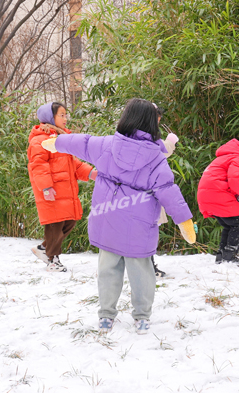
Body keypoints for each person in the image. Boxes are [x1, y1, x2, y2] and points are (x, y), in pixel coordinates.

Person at [41, 98, 196, 335]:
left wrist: (57, 142)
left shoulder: (107, 145)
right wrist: (184, 220)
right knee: (141, 272)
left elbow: (82, 143)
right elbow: (168, 191)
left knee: (108, 270)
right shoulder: (156, 158)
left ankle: (106, 315)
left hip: (107, 222)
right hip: (139, 228)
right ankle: (142, 317)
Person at [27, 102, 96, 272]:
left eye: (66, 115)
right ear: (50, 118)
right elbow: (38, 165)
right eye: (61, 115)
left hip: (65, 191)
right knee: (55, 225)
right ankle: (53, 261)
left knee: (70, 220)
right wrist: (46, 187)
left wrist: (90, 173)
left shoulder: (61, 139)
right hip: (51, 191)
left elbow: (73, 163)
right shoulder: (40, 140)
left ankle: (43, 248)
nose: (65, 118)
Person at [197, 138, 239, 265]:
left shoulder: (232, 156)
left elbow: (227, 180)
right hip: (216, 192)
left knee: (230, 225)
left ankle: (222, 256)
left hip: (208, 194)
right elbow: (234, 181)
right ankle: (229, 256)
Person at [152, 107, 179, 278]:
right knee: (149, 230)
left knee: (148, 230)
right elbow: (161, 151)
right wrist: (171, 141)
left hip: (147, 191)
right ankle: (148, 266)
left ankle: (147, 264)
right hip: (148, 192)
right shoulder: (146, 135)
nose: (158, 122)